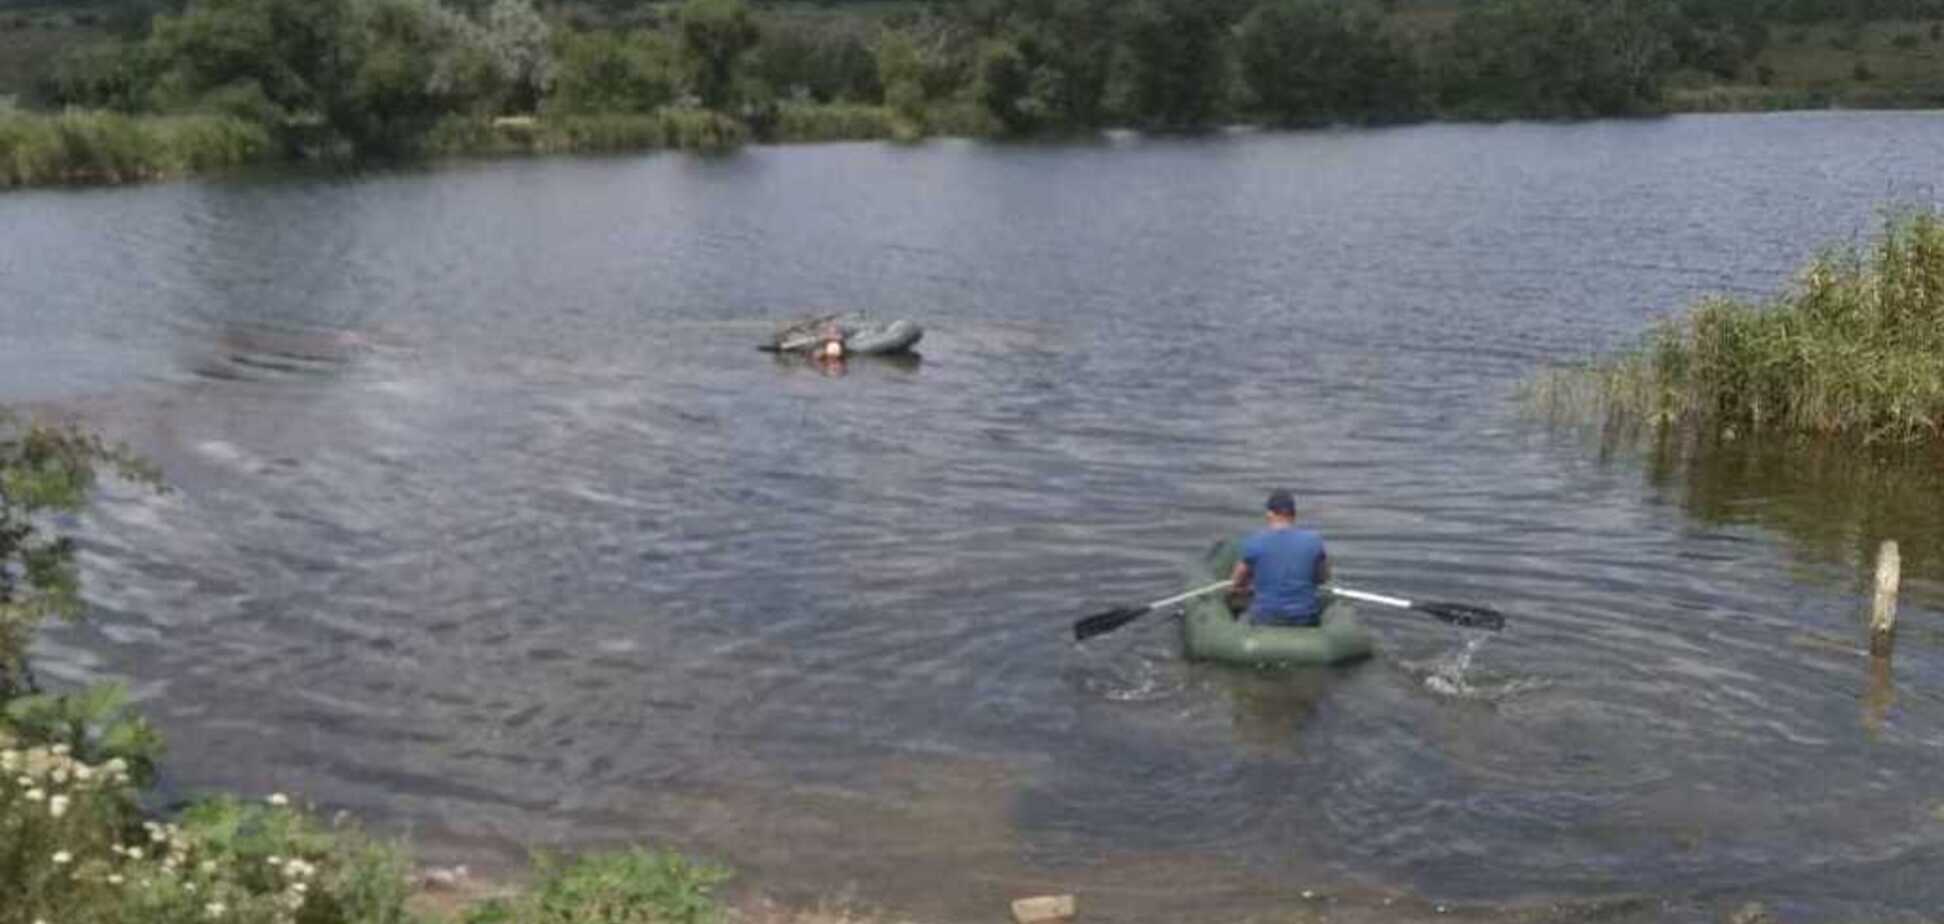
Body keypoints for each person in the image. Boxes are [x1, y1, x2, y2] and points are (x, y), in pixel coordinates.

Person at [1229, 489, 1331, 626]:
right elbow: (1323, 578)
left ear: (1270, 513)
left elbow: (1236, 582)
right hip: (1304, 617)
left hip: (1266, 618)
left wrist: (1249, 586)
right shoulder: (1314, 541)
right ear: (1293, 514)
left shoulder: (1254, 542)